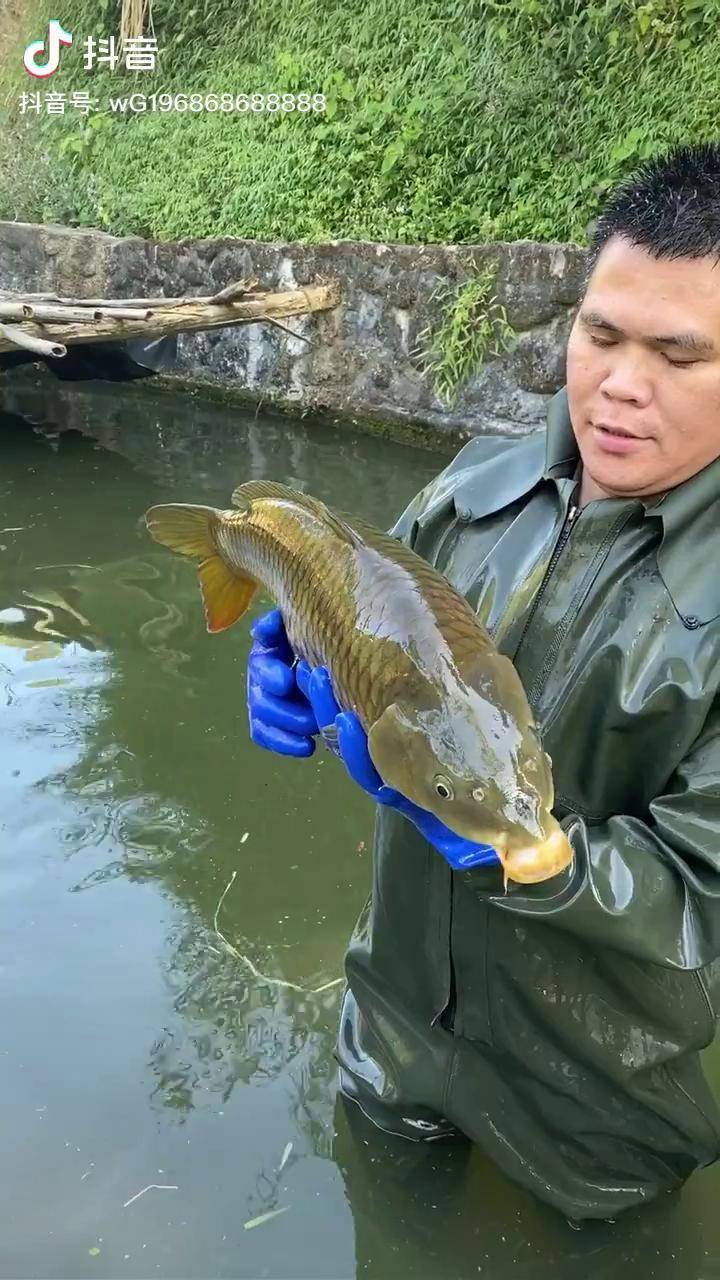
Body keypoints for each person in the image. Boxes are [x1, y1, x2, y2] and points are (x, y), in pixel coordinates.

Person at [246, 141, 720, 1221]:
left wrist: (540, 862)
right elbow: (358, 629)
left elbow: (704, 894)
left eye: (679, 356)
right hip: (396, 1020)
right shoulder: (473, 485)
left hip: (598, 1088)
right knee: (385, 1222)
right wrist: (291, 654)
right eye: (599, 334)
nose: (619, 384)